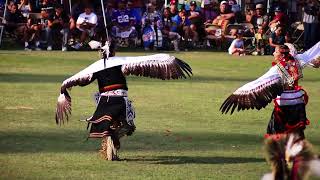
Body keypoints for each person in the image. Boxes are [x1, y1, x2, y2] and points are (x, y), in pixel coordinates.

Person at [55, 40, 192, 161]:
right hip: (119, 100)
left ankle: (109, 144)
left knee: (115, 126)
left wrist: (63, 95)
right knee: (127, 127)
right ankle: (112, 141)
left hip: (104, 102)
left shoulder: (95, 67)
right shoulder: (121, 62)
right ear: (113, 51)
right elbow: (159, 60)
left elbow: (75, 81)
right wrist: (170, 59)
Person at [220, 44, 320, 139]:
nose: (273, 54)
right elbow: (314, 51)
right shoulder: (298, 61)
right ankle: (295, 153)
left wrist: (237, 93)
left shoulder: (277, 69)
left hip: (284, 103)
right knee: (296, 131)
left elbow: (257, 83)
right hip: (298, 101)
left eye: (275, 52)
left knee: (276, 131)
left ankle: (281, 154)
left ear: (281, 55)